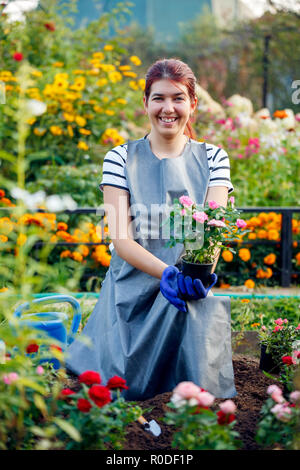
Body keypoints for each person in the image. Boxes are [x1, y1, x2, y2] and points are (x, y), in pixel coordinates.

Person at [66, 58, 236, 400]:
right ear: (145, 103)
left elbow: (213, 232)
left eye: (177, 98)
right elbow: (121, 238)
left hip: (187, 292)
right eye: (158, 98)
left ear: (192, 104)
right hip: (130, 295)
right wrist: (167, 274)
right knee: (123, 387)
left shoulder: (214, 158)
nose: (168, 108)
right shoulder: (120, 158)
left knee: (201, 392)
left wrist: (198, 274)